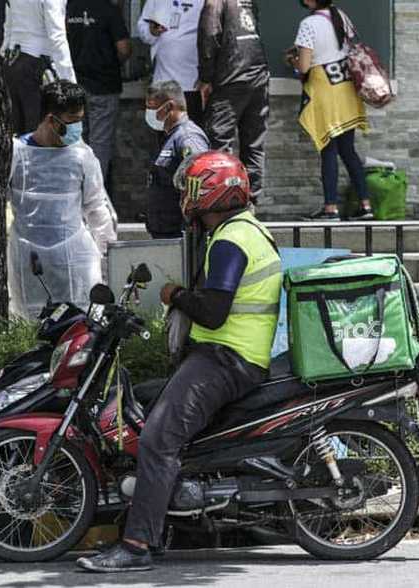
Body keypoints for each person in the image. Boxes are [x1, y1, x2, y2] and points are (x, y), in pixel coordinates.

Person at [77, 152, 281, 573]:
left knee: (157, 439)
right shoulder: (248, 230)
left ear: (211, 192)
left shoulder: (230, 240)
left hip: (226, 360)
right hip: (232, 357)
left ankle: (136, 546)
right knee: (148, 402)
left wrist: (173, 294)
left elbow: (213, 313)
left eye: (192, 188)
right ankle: (168, 521)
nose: (186, 197)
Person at [9, 80, 118, 318]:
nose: (78, 128)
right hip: (29, 260)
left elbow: (96, 206)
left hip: (74, 258)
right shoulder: (17, 153)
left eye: (81, 120)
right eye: (71, 122)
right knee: (31, 323)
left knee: (81, 322)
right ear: (50, 120)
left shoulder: (82, 156)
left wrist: (107, 255)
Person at [291, 0, 371, 221]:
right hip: (346, 90)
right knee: (348, 151)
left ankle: (330, 209)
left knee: (328, 151)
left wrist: (292, 60)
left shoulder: (309, 24)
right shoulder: (341, 16)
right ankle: (366, 206)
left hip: (325, 91)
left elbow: (305, 66)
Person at [198, 0, 270, 203]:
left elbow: (209, 38)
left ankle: (223, 200)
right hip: (258, 74)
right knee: (254, 143)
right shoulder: (248, 2)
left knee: (219, 141)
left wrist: (205, 77)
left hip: (231, 76)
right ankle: (251, 201)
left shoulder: (215, 3)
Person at [67, 0, 133, 183]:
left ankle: (76, 194)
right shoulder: (109, 10)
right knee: (100, 146)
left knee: (75, 142)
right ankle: (94, 197)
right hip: (104, 86)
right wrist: (110, 63)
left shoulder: (68, 8)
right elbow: (124, 48)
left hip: (75, 86)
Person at [144, 80, 210, 239]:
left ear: (169, 107)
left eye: (152, 108)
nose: (149, 113)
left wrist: (190, 223)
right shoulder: (171, 137)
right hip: (165, 231)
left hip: (180, 234)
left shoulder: (187, 137)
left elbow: (201, 176)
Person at [3, 0, 78, 134]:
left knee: (17, 134)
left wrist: (5, 54)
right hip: (36, 63)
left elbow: (8, 26)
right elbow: (57, 37)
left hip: (13, 60)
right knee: (39, 136)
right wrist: (70, 82)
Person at [137, 0, 206, 126]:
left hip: (193, 83)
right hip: (163, 82)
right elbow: (143, 28)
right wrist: (151, 31)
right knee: (165, 133)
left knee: (191, 134)